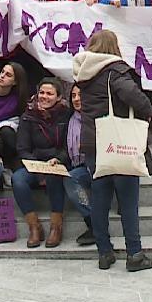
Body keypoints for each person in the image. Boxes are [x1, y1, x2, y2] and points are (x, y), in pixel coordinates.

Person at [72, 30, 152, 272]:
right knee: (128, 202)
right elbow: (137, 99)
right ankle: (135, 254)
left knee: (100, 200)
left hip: (94, 144)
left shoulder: (83, 73)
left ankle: (104, 252)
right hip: (119, 142)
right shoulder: (115, 71)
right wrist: (146, 111)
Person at [14, 78, 71, 248]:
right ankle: (34, 226)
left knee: (54, 176)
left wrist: (58, 159)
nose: (44, 97)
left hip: (57, 162)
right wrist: (38, 169)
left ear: (58, 97)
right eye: (42, 93)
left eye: (49, 93)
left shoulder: (66, 115)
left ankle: (56, 225)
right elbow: (23, 148)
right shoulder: (28, 116)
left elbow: (69, 146)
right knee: (17, 180)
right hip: (34, 163)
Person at [64, 84, 94, 245]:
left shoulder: (99, 116)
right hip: (81, 166)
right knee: (71, 177)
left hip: (102, 163)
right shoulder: (70, 119)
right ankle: (92, 222)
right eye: (73, 96)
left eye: (80, 95)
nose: (76, 99)